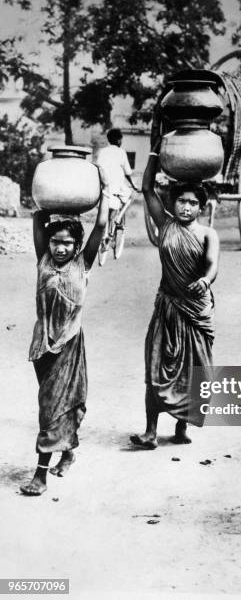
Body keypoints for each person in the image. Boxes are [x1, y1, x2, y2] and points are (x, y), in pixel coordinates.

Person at [20, 171, 109, 496]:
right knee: (52, 405)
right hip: (42, 346)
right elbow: (39, 213)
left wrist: (104, 190)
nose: (59, 247)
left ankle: (40, 475)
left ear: (77, 246)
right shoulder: (43, 259)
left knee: (52, 409)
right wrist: (46, 179)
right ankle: (68, 450)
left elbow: (100, 228)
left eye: (67, 243)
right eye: (56, 241)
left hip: (69, 344)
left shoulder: (81, 265)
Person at [130, 136, 219, 449]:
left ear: (200, 207)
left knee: (193, 371)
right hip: (167, 308)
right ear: (174, 203)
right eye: (182, 201)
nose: (187, 206)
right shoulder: (165, 225)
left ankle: (182, 427)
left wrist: (205, 281)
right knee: (156, 366)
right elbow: (145, 190)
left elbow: (212, 266)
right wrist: (154, 149)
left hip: (195, 312)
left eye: (193, 203)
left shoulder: (208, 234)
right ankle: (150, 431)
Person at [96, 128, 139, 236]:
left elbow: (98, 167)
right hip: (116, 186)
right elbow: (127, 172)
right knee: (127, 196)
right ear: (119, 140)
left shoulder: (102, 151)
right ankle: (116, 219)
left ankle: (111, 222)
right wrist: (134, 185)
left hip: (103, 185)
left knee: (109, 201)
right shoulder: (121, 152)